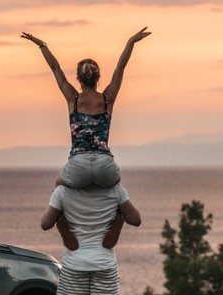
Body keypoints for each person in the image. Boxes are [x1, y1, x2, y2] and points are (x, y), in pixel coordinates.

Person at [21, 28, 152, 189]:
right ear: (98, 78)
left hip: (78, 165)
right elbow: (121, 66)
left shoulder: (72, 99)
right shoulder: (107, 99)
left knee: (58, 185)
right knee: (118, 195)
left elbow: (55, 68)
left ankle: (60, 215)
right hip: (105, 165)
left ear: (78, 79)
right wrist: (130, 42)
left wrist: (42, 44)